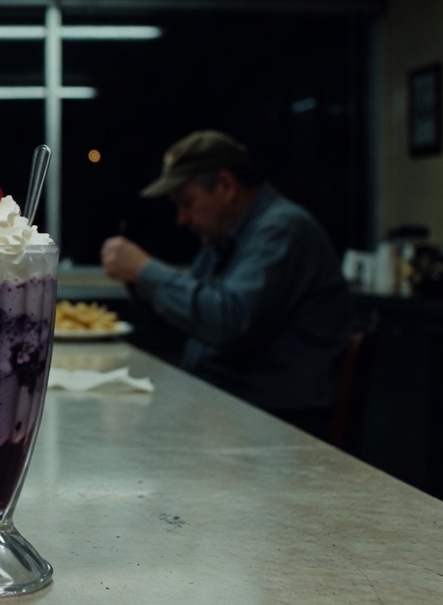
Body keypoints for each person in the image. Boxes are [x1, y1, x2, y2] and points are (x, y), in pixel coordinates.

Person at [100, 130, 352, 438]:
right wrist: (136, 281)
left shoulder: (283, 229)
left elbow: (226, 320)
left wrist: (145, 270)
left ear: (226, 186)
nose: (181, 218)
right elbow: (192, 318)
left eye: (187, 202)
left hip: (278, 422)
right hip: (229, 405)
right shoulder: (222, 241)